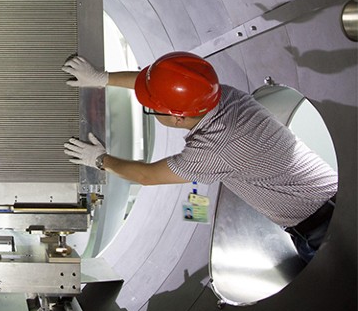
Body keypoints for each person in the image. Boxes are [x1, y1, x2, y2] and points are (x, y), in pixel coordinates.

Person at [62, 51, 338, 263]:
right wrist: (102, 78)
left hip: (323, 231)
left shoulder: (214, 147)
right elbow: (159, 85)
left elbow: (146, 176)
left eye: (151, 108)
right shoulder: (221, 94)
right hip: (338, 203)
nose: (149, 108)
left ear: (178, 118)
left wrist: (99, 159)